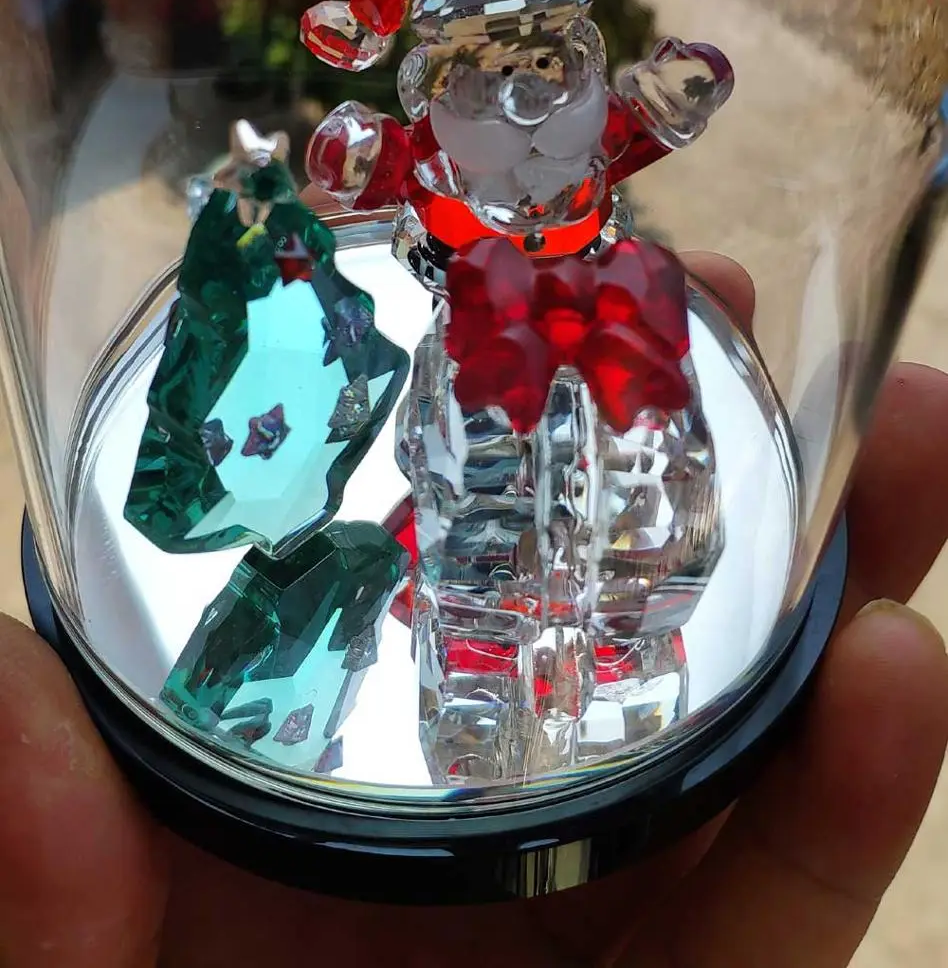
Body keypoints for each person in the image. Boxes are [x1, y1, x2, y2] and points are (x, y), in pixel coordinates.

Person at [2, 254, 947, 967]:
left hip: (593, 626)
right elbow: (444, 472)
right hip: (484, 615)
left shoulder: (610, 435)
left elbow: (626, 520)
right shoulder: (464, 415)